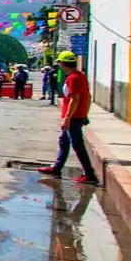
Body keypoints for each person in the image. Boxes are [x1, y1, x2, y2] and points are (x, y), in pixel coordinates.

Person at [37, 51, 99, 185]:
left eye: (59, 63)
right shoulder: (80, 76)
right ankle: (56, 168)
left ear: (63, 63)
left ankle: (89, 174)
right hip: (77, 115)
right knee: (64, 142)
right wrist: (85, 113)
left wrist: (67, 118)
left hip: (73, 117)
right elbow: (88, 97)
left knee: (77, 145)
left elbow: (74, 99)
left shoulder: (73, 78)